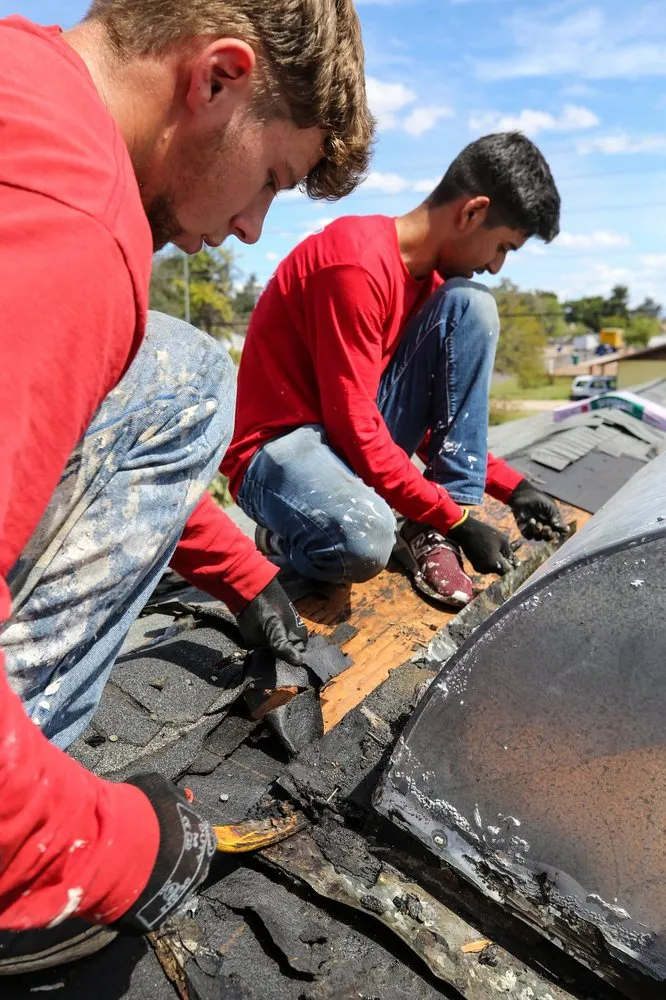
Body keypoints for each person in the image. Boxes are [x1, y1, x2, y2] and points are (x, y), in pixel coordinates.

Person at [0, 0, 372, 972]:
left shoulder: (23, 88)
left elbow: (74, 428)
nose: (251, 228)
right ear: (216, 77)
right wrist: (104, 848)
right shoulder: (74, 216)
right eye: (271, 180)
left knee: (170, 364)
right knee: (198, 375)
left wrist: (245, 574)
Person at [220, 132, 567, 608]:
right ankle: (283, 535)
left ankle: (429, 529)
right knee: (364, 543)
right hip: (278, 448)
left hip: (345, 439)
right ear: (472, 213)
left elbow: (434, 422)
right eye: (502, 246)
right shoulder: (357, 264)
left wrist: (516, 489)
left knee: (473, 306)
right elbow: (358, 429)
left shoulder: (437, 287)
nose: (495, 266)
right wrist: (460, 522)